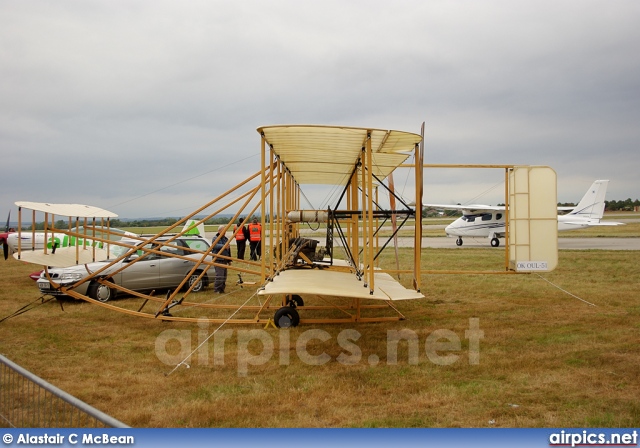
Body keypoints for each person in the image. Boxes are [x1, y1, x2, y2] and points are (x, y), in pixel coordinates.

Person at [211, 225, 231, 293]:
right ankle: (217, 289)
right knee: (219, 275)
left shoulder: (226, 239)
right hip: (218, 259)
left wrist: (229, 260)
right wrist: (224, 246)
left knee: (224, 276)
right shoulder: (215, 238)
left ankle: (222, 289)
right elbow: (215, 245)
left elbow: (228, 250)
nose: (224, 232)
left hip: (224, 259)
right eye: (223, 231)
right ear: (219, 231)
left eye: (225, 231)